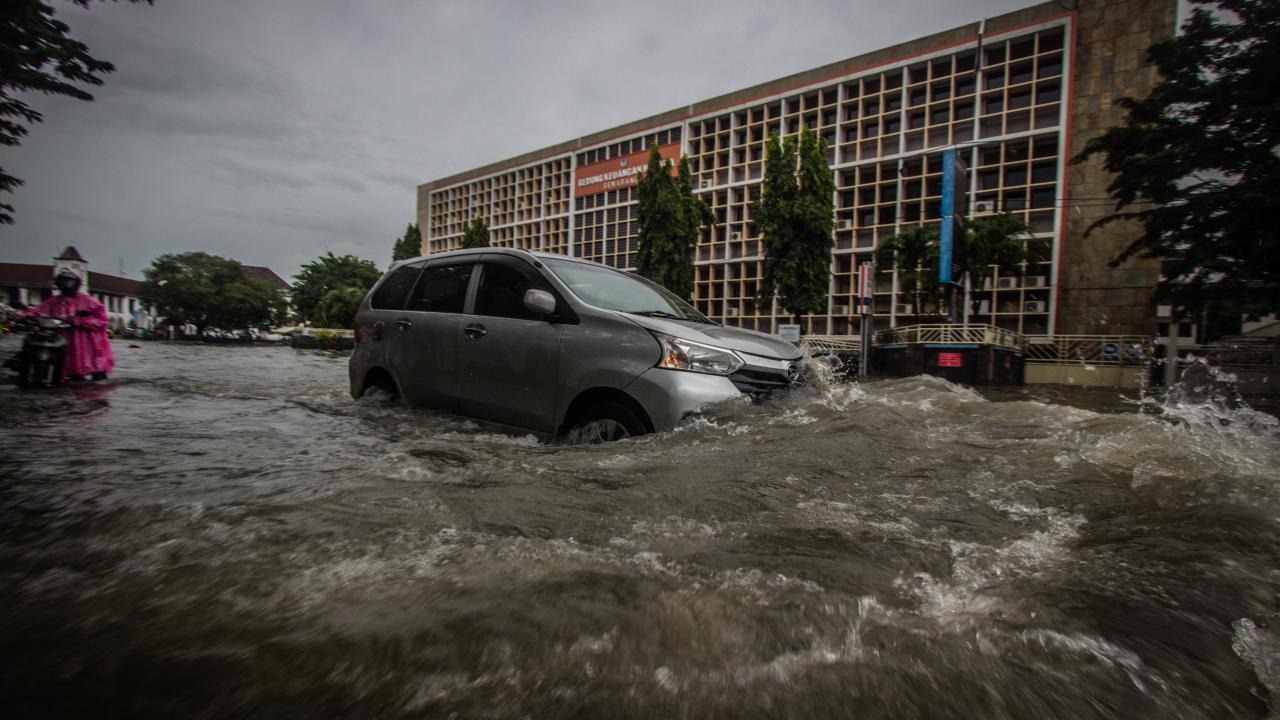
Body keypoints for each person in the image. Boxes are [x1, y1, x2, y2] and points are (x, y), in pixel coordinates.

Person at [19, 270, 114, 381]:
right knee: (72, 372)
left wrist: (81, 321)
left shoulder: (89, 301)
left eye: (69, 281)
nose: (66, 285)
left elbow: (102, 319)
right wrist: (25, 315)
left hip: (89, 343)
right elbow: (38, 311)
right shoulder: (53, 301)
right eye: (63, 282)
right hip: (65, 340)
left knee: (98, 373)